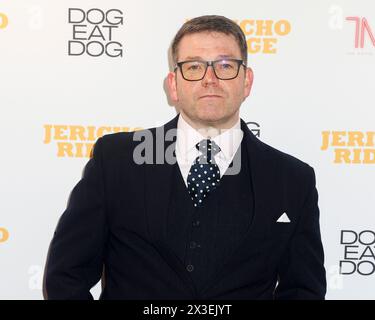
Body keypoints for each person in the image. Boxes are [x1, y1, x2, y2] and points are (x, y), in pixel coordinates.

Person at [44, 15, 326, 299]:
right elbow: (66, 276)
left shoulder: (292, 180)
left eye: (225, 66)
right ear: (174, 84)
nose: (210, 79)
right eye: (193, 67)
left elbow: (304, 290)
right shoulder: (116, 161)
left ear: (247, 81)